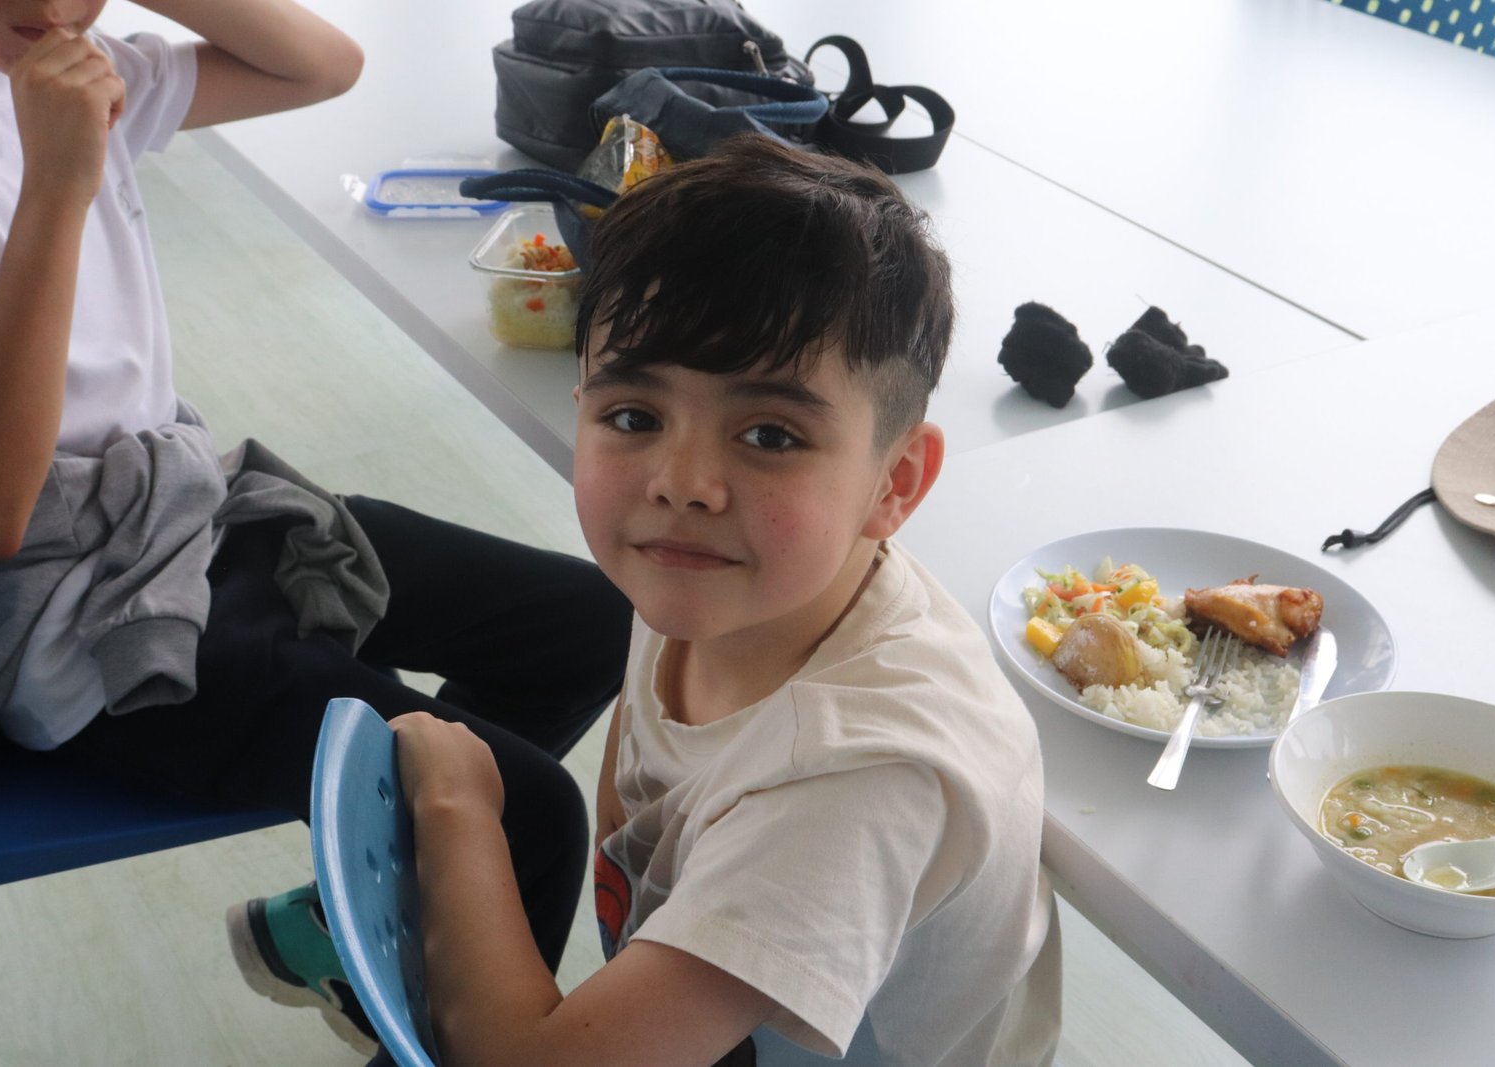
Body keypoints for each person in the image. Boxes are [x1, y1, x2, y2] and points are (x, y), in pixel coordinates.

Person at [0, 0, 630, 1054]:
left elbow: (322, 64)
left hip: (195, 519)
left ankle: (356, 918)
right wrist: (57, 184)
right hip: (73, 627)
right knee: (532, 810)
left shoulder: (76, 58)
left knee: (589, 619)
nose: (53, 8)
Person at [389, 133, 1063, 1067]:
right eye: (634, 416)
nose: (683, 480)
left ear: (894, 482)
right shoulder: (710, 578)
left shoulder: (856, 780)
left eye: (771, 435)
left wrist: (457, 813)